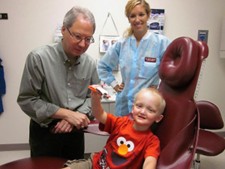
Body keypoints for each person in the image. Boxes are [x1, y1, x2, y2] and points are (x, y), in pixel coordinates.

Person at [17, 6, 100, 160]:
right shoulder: (39, 58)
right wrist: (67, 114)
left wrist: (77, 116)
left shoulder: (90, 63)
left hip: (75, 131)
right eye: (77, 36)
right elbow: (27, 100)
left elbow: (93, 96)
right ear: (63, 30)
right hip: (45, 132)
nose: (83, 44)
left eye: (88, 39)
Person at [98, 0, 170, 116]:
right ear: (128, 18)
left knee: (144, 135)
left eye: (141, 14)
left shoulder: (161, 43)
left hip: (147, 109)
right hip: (123, 106)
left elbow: (172, 73)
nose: (137, 20)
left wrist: (158, 87)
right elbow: (103, 66)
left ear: (148, 15)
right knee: (121, 134)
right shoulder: (121, 44)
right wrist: (114, 85)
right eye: (132, 16)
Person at [62, 87, 166, 169]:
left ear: (158, 118)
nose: (143, 112)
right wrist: (95, 99)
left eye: (150, 110)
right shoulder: (121, 123)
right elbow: (99, 114)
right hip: (94, 164)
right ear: (133, 108)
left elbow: (150, 161)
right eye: (139, 106)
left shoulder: (152, 141)